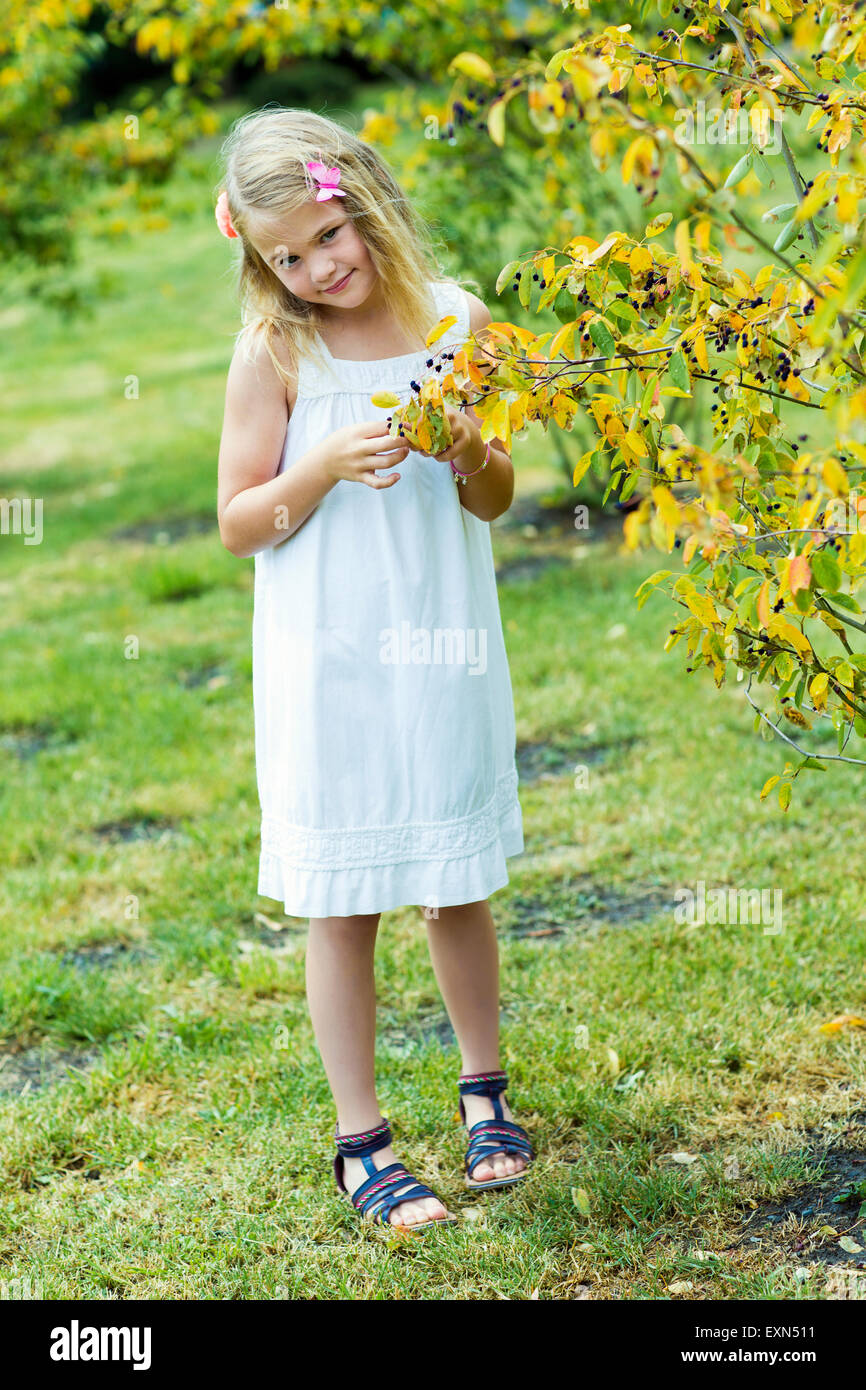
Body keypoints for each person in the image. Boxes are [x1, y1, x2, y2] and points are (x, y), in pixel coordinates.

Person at [215, 108, 533, 1231]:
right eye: (285, 257)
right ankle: (363, 1143)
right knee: (343, 901)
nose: (316, 268)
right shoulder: (279, 350)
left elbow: (497, 496)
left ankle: (483, 1090)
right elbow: (239, 520)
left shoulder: (457, 321)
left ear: (366, 199)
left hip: (441, 639)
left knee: (453, 878)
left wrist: (466, 447)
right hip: (329, 658)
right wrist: (324, 466)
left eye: (327, 237)